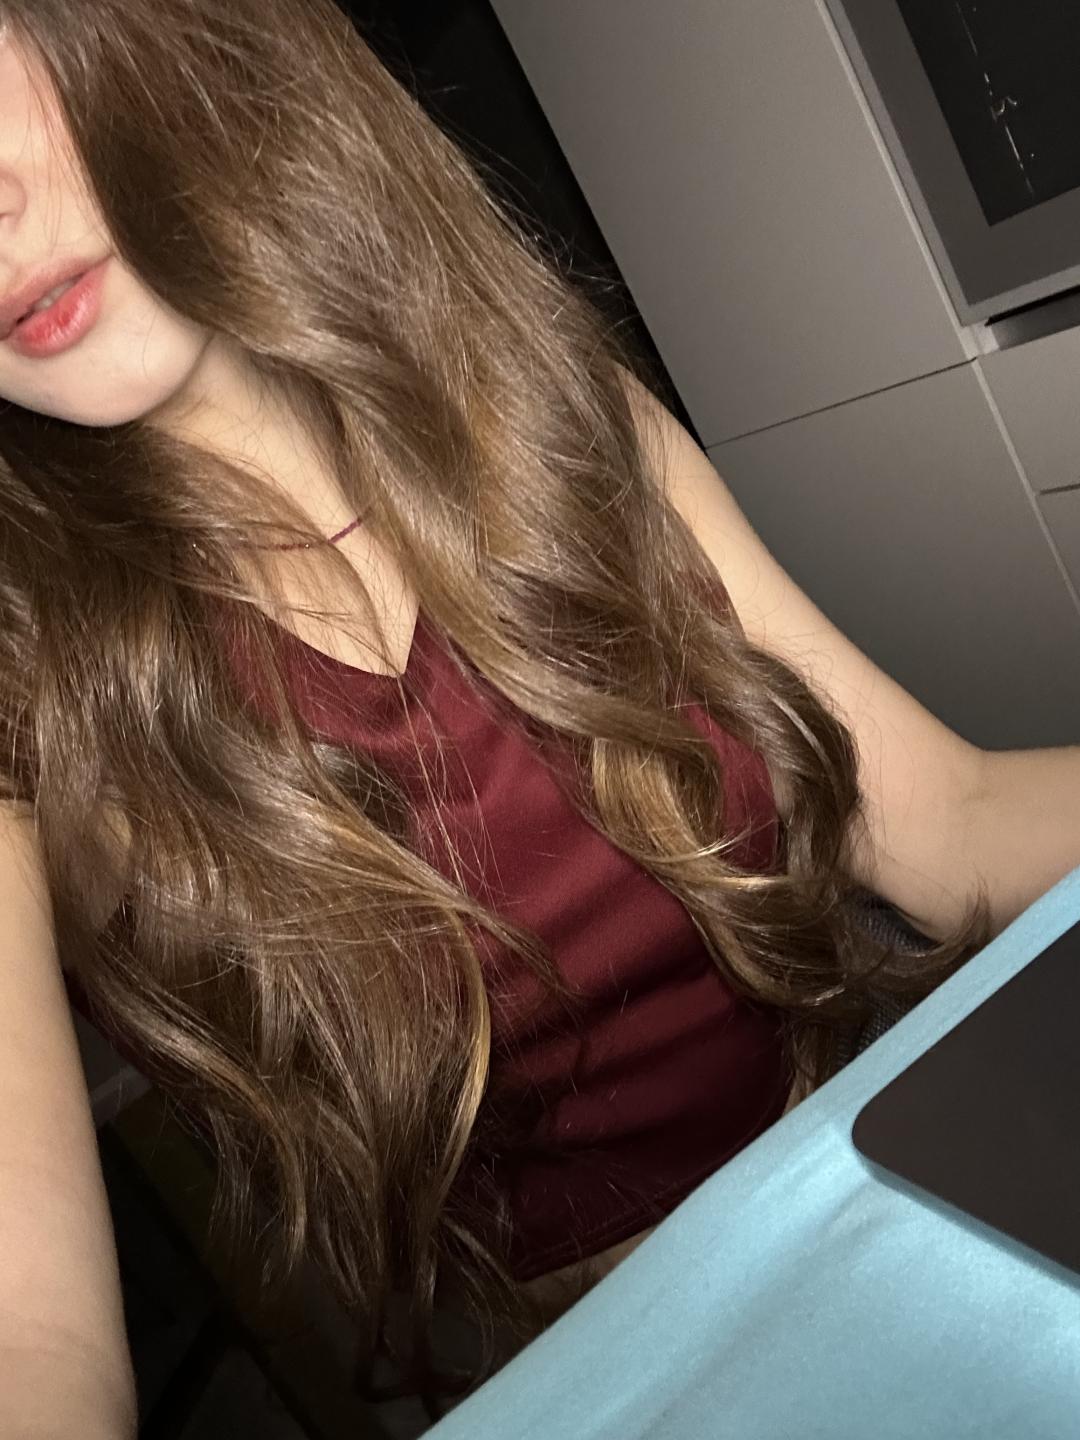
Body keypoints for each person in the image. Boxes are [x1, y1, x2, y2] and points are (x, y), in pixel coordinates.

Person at [0, 2, 994, 1434]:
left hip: (913, 1191)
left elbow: (943, 816)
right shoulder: (28, 691)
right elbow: (35, 1335)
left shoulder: (544, 416)